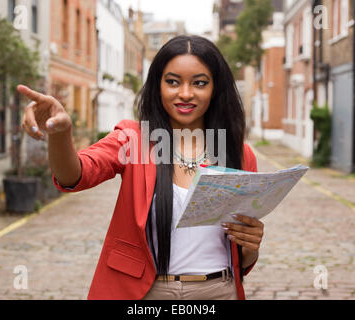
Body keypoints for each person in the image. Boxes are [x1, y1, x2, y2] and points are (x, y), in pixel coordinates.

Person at [17, 35, 264, 300]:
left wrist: (251, 245)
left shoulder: (239, 155)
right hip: (147, 293)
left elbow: (242, 256)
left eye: (199, 83)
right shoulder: (133, 139)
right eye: (172, 81)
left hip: (218, 291)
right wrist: (60, 132)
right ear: (157, 86)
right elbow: (75, 175)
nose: (185, 93)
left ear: (215, 88)